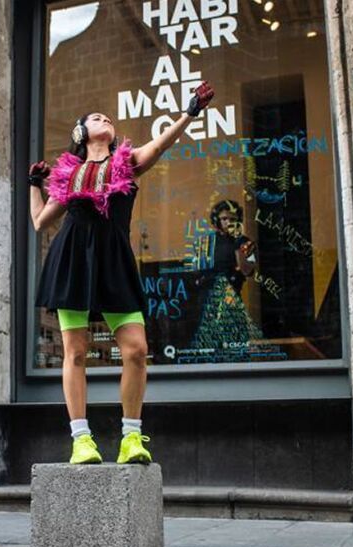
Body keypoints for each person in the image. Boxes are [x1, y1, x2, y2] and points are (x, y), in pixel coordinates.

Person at [27, 81, 215, 465]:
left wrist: (189, 113)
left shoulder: (125, 162)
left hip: (114, 260)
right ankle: (82, 440)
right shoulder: (70, 175)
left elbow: (159, 145)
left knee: (137, 350)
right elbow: (39, 221)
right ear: (80, 133)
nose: (105, 119)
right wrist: (35, 185)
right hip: (72, 261)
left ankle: (131, 438)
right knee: (75, 353)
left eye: (108, 117)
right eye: (96, 117)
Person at [186, 199, 263, 362]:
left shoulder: (246, 243)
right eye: (225, 218)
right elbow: (194, 270)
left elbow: (248, 270)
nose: (229, 222)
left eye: (233, 219)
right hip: (208, 298)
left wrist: (237, 243)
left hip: (231, 298)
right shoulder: (206, 242)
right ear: (217, 220)